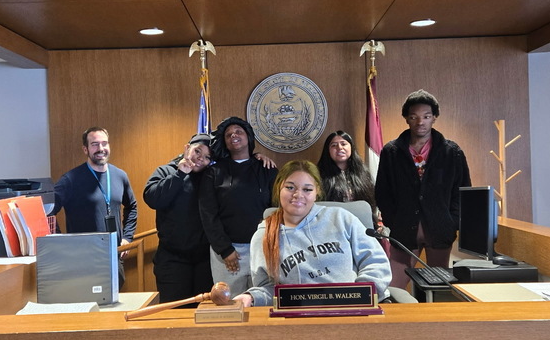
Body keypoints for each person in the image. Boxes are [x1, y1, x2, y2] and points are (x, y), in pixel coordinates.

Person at [233, 161, 391, 307]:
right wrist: (250, 297)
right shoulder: (264, 236)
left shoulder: (341, 218)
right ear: (278, 189)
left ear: (317, 193)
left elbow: (376, 263)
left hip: (354, 309)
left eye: (307, 189)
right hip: (298, 316)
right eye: (290, 187)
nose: (298, 195)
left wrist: (358, 295)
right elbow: (268, 290)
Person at [375, 90, 471, 289]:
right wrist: (394, 220)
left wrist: (452, 220)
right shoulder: (391, 152)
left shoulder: (451, 152)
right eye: (414, 117)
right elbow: (383, 192)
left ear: (434, 118)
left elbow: (462, 192)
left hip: (440, 228)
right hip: (404, 230)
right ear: (407, 119)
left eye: (426, 117)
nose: (421, 122)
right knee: (393, 287)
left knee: (440, 288)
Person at [198, 116, 278, 296]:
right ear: (225, 142)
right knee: (230, 304)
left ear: (248, 137)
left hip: (263, 249)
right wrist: (225, 249)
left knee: (264, 302)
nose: (233, 135)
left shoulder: (267, 168)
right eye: (228, 135)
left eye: (239, 132)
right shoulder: (213, 172)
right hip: (227, 253)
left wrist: (271, 246)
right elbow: (208, 214)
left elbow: (276, 210)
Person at [50, 127, 138, 280]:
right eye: (95, 144)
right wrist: (61, 241)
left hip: (113, 256)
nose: (101, 148)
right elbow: (48, 210)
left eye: (104, 143)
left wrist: (127, 237)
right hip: (83, 259)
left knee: (114, 300)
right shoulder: (70, 179)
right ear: (85, 149)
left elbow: (132, 207)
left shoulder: (120, 175)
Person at [143, 134, 215, 304]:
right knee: (174, 312)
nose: (200, 159)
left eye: (207, 157)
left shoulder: (210, 176)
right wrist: (180, 174)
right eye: (197, 151)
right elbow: (152, 199)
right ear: (186, 148)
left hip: (205, 261)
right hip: (172, 260)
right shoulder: (166, 171)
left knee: (204, 314)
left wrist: (256, 156)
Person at [316, 130, 376, 211]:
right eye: (334, 145)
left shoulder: (363, 173)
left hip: (360, 220)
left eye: (343, 144)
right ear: (328, 151)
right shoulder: (319, 175)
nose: (339, 148)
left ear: (351, 147)